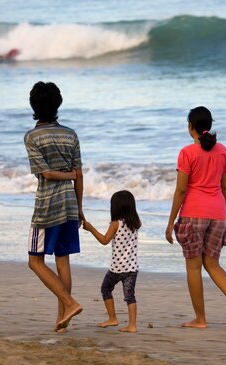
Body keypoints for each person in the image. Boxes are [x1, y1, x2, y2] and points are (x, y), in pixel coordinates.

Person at [165, 106, 226, 329]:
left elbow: (181, 190)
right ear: (209, 126)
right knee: (213, 264)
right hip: (218, 215)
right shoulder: (224, 152)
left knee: (193, 267)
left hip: (193, 215)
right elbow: (225, 188)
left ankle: (200, 319)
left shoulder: (187, 153)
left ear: (190, 127)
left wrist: (171, 221)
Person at [24, 81, 84, 332]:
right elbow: (78, 174)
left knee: (35, 261)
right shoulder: (70, 134)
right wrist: (79, 208)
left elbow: (46, 173)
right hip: (69, 203)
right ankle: (62, 322)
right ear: (58, 104)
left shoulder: (32, 137)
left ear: (33, 106)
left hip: (47, 205)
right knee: (63, 260)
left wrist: (66, 176)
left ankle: (69, 304)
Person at [83, 190, 141, 333]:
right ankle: (132, 325)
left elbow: (104, 240)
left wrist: (90, 228)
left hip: (117, 268)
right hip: (132, 268)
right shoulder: (136, 222)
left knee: (106, 289)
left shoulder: (116, 224)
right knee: (130, 296)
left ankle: (112, 318)